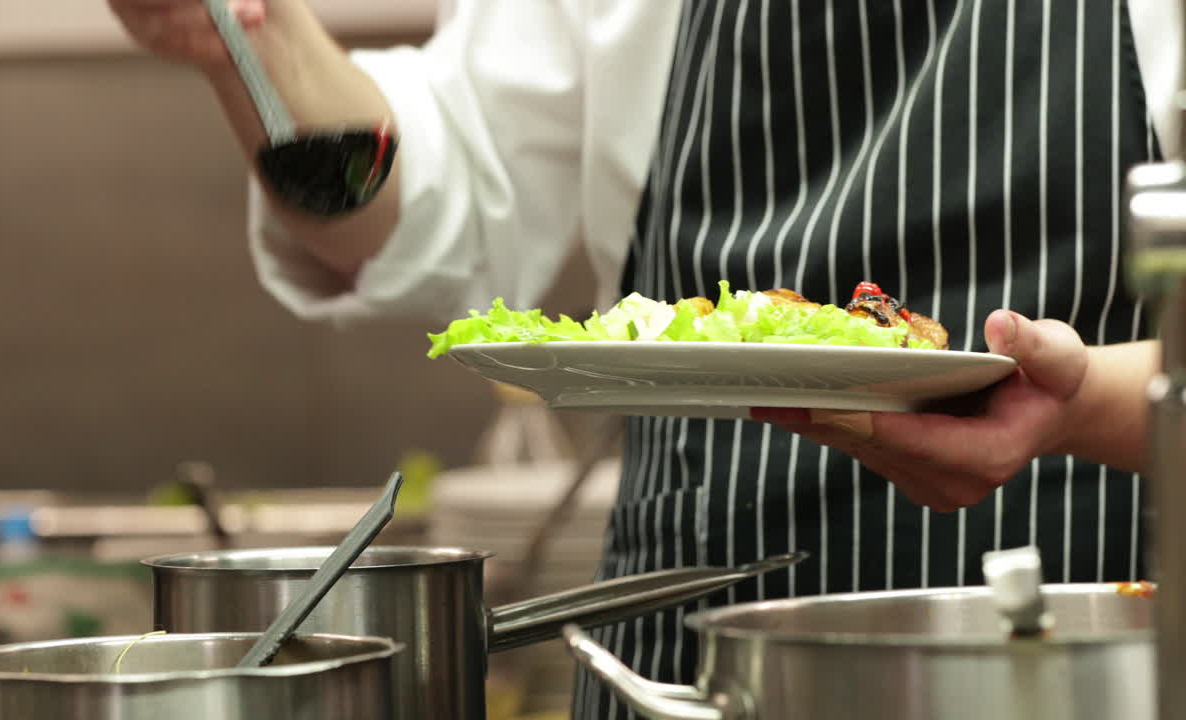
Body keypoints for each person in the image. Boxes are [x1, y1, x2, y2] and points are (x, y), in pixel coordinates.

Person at [107, 1, 1172, 717]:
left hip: (1093, 647)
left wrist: (1080, 408)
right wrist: (258, 41)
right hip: (687, 672)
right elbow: (419, 211)